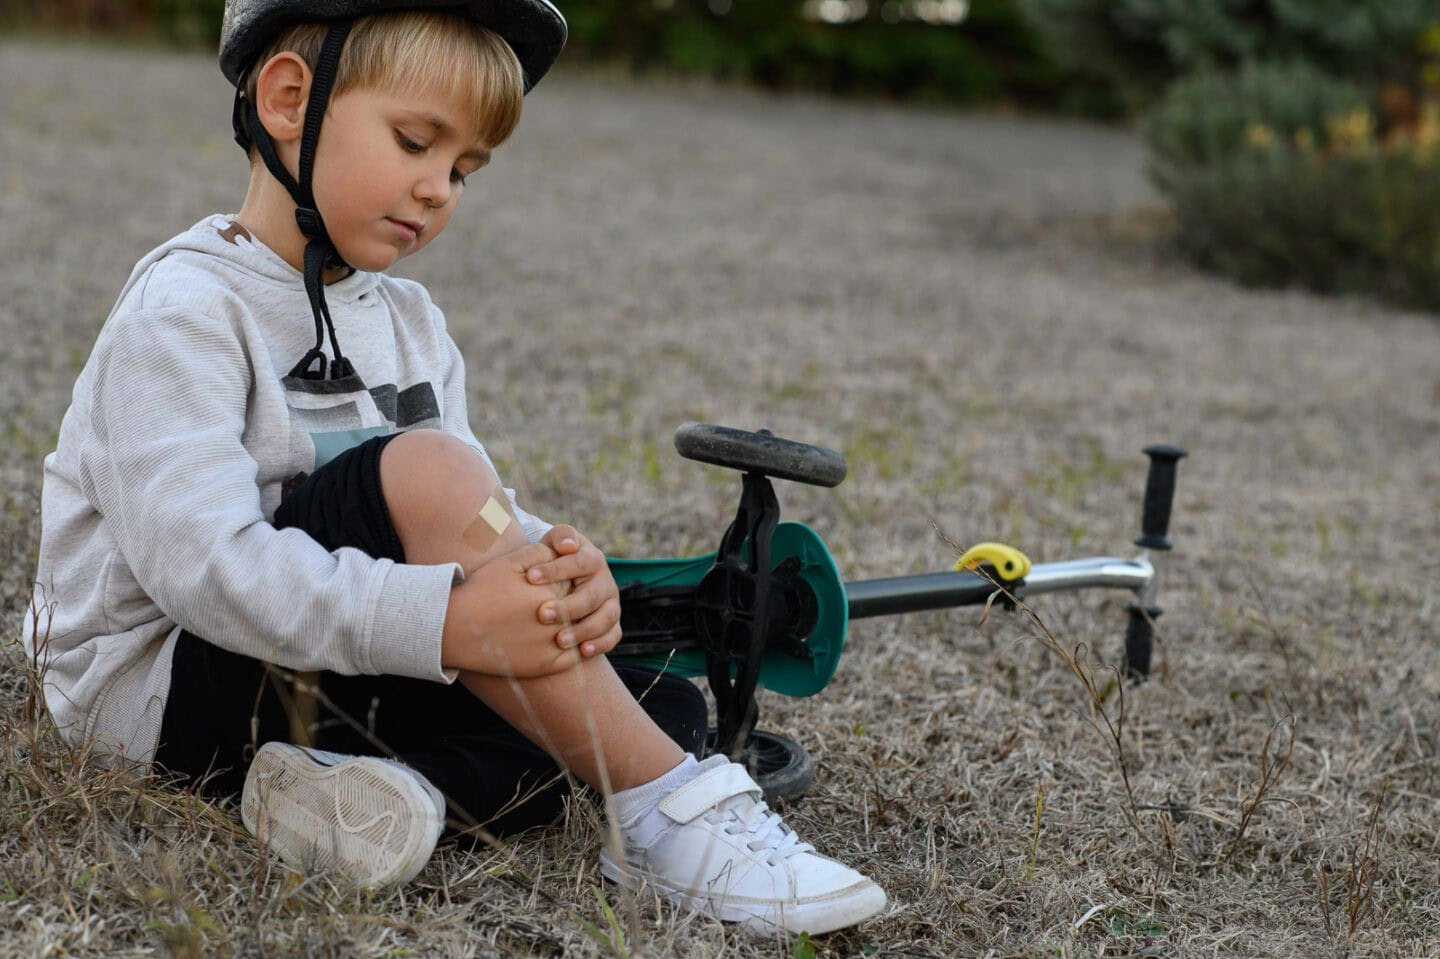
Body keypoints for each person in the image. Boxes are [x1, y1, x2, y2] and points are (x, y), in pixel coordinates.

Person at [22, 0, 886, 937]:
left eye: (464, 168)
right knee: (437, 485)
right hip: (159, 702)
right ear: (286, 100)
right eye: (414, 141)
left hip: (314, 681)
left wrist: (552, 568)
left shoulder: (410, 323)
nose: (437, 188)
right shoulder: (183, 312)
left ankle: (376, 801)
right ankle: (668, 814)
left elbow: (474, 522)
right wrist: (449, 619)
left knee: (657, 703)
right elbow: (207, 571)